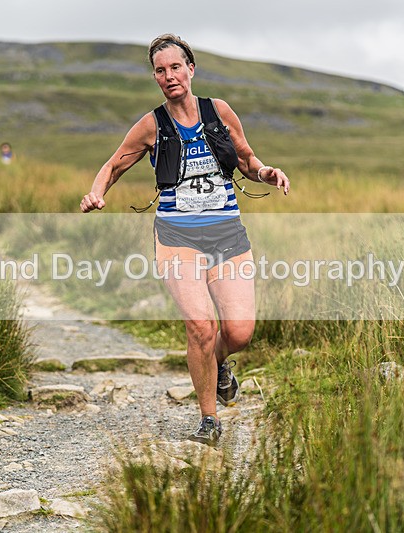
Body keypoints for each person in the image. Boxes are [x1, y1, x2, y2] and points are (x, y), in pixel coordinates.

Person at [81, 34, 289, 446]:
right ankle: (209, 419)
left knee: (240, 332)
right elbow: (113, 164)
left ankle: (217, 364)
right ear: (156, 77)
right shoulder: (151, 125)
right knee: (200, 325)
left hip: (228, 233)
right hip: (177, 236)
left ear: (190, 69)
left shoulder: (219, 112)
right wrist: (96, 191)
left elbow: (247, 159)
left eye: (175, 67)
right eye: (160, 70)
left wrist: (266, 172)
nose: (169, 76)